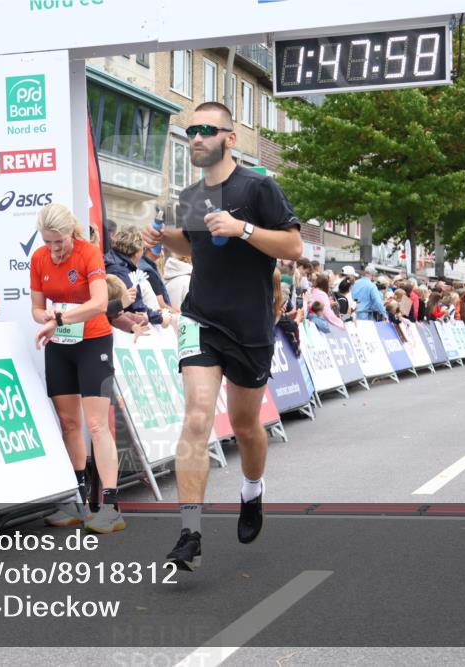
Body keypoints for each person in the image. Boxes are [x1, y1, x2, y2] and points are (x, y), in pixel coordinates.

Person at [142, 101, 302, 570]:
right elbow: (192, 249)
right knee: (196, 417)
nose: (195, 138)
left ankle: (252, 492)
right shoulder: (191, 195)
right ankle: (189, 532)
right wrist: (162, 239)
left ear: (230, 138)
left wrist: (244, 228)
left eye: (206, 130)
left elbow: (293, 246)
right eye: (190, 130)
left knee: (248, 426)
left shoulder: (259, 186)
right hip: (201, 318)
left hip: (250, 325)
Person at [29, 203, 123, 534]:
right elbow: (36, 308)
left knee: (97, 425)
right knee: (69, 423)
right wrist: (46, 318)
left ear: (71, 232)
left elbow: (99, 303)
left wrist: (57, 318)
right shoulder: (39, 258)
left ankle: (110, 505)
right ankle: (77, 500)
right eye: (48, 241)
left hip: (94, 342)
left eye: (59, 241)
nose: (54, 249)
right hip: (60, 347)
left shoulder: (87, 253)